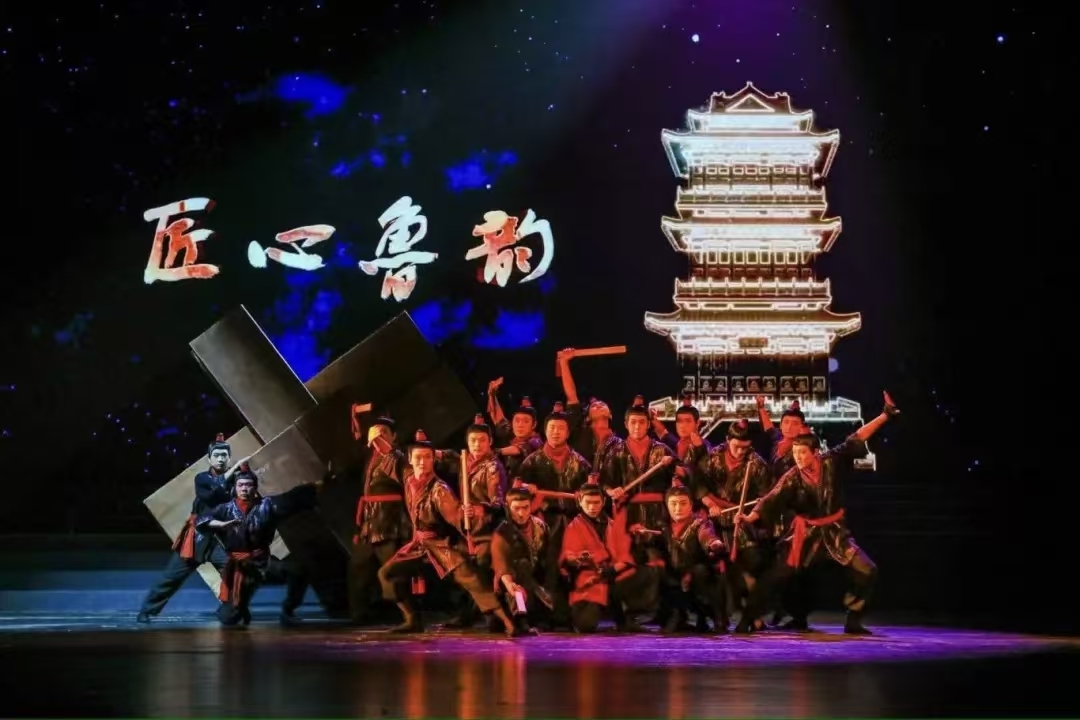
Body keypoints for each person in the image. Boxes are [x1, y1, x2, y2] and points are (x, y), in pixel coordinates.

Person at [735, 392, 900, 635]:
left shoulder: (831, 462)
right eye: (795, 453)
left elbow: (857, 437)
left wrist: (884, 416)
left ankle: (854, 619)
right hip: (804, 535)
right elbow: (772, 498)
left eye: (803, 453)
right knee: (776, 576)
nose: (798, 458)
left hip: (835, 532)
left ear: (815, 452)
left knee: (867, 570)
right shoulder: (792, 476)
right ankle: (747, 618)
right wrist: (750, 517)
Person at [377, 430, 518, 636]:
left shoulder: (439, 489)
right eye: (418, 458)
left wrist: (468, 515)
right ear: (411, 460)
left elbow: (456, 516)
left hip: (440, 544)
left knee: (471, 579)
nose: (422, 462)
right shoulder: (408, 477)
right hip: (418, 544)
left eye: (427, 457)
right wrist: (375, 438)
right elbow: (391, 456)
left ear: (433, 460)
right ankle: (412, 619)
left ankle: (507, 621)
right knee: (387, 573)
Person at [137, 433, 247, 623]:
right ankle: (147, 611)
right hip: (197, 537)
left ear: (229, 458)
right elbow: (211, 494)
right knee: (172, 577)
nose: (221, 459)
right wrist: (233, 473)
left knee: (235, 575)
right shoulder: (202, 479)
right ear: (209, 459)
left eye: (224, 455)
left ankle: (230, 612)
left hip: (219, 540)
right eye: (217, 455)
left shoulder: (237, 482)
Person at [196, 463, 320, 627]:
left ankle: (288, 610)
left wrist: (317, 486)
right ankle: (239, 607)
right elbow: (202, 520)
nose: (244, 489)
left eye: (248, 485)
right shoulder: (224, 510)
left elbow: (292, 498)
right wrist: (220, 524)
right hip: (240, 567)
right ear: (235, 488)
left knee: (297, 572)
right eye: (241, 485)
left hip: (262, 562)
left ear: (255, 488)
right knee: (229, 618)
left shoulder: (267, 505)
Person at [335, 409, 411, 625]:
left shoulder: (398, 457)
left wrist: (379, 440)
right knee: (358, 568)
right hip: (369, 523)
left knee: (392, 569)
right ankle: (359, 614)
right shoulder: (369, 456)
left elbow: (392, 458)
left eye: (385, 432)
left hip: (389, 521)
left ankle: (406, 614)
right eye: (376, 432)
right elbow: (356, 445)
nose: (379, 435)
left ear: (393, 436)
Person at [560, 482, 659, 633]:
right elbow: (568, 557)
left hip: (612, 575)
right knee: (585, 625)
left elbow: (624, 554)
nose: (592, 507)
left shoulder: (612, 525)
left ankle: (628, 619)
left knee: (647, 572)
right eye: (588, 502)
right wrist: (579, 559)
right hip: (591, 580)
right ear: (580, 501)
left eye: (596, 502)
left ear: (603, 502)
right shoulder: (573, 527)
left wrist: (635, 538)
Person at [655, 479, 727, 633]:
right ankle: (677, 616)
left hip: (698, 575)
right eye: (673, 504)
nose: (678, 508)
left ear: (691, 505)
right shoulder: (663, 527)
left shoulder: (700, 523)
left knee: (700, 573)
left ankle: (714, 617)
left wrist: (713, 543)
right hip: (674, 575)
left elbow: (707, 535)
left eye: (683, 503)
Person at [490, 481, 554, 635]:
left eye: (525, 508)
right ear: (508, 507)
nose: (521, 513)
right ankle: (521, 619)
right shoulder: (502, 532)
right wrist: (509, 583)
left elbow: (548, 559)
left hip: (534, 581)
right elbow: (501, 565)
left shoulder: (541, 527)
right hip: (511, 582)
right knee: (521, 569)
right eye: (516, 508)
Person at [486, 378, 543, 479]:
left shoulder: (536, 441)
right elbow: (498, 418)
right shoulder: (512, 434)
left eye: (526, 421)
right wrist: (492, 395)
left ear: (534, 425)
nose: (520, 425)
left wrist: (496, 451)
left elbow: (520, 448)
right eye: (517, 421)